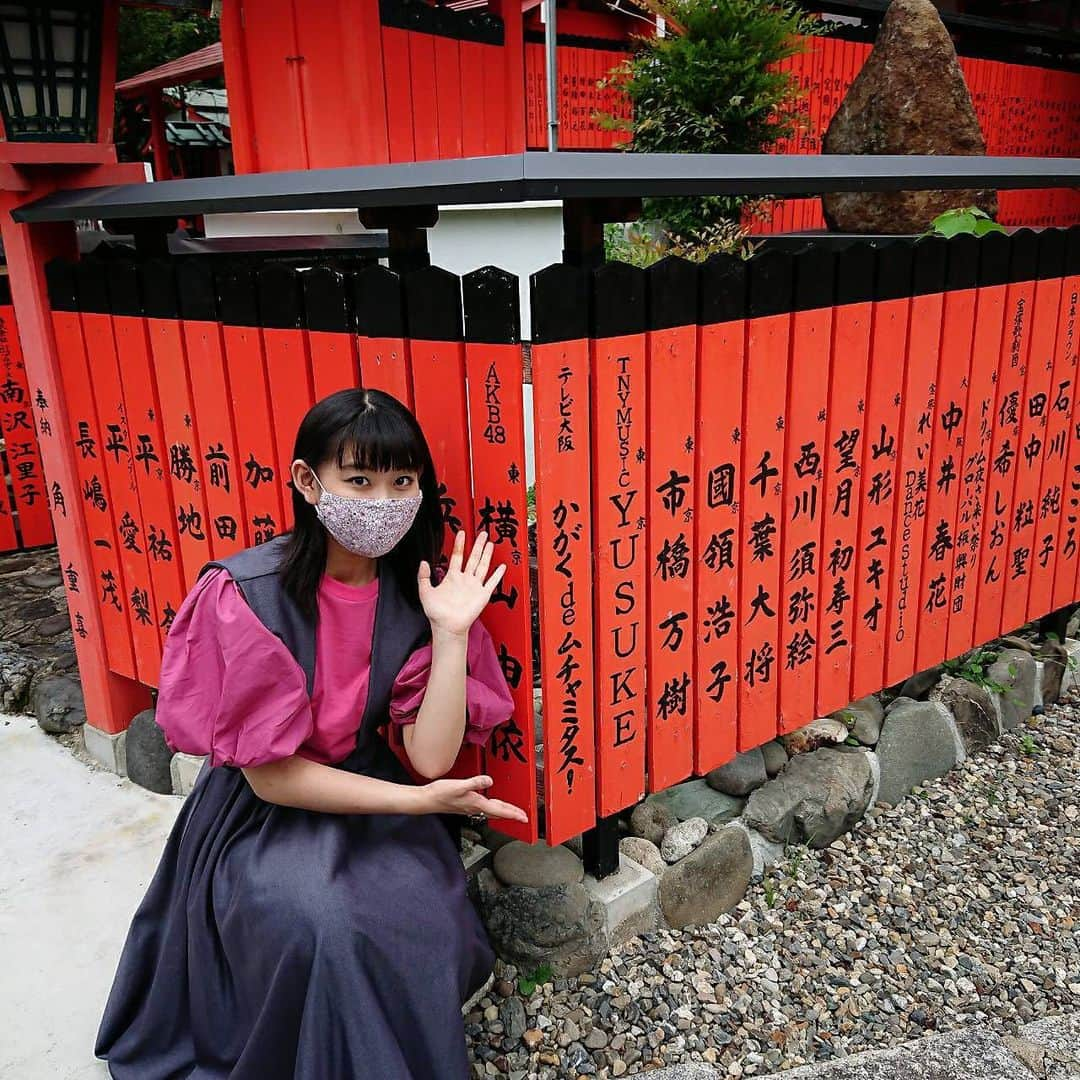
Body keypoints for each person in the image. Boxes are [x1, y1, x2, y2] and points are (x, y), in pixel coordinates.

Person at [94, 387, 529, 1080]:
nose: (382, 501)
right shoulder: (247, 594)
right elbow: (272, 775)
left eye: (402, 482)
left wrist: (451, 635)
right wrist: (422, 805)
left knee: (423, 919)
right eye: (359, 481)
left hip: (374, 791)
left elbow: (429, 756)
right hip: (261, 814)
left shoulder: (420, 592)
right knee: (324, 924)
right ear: (307, 481)